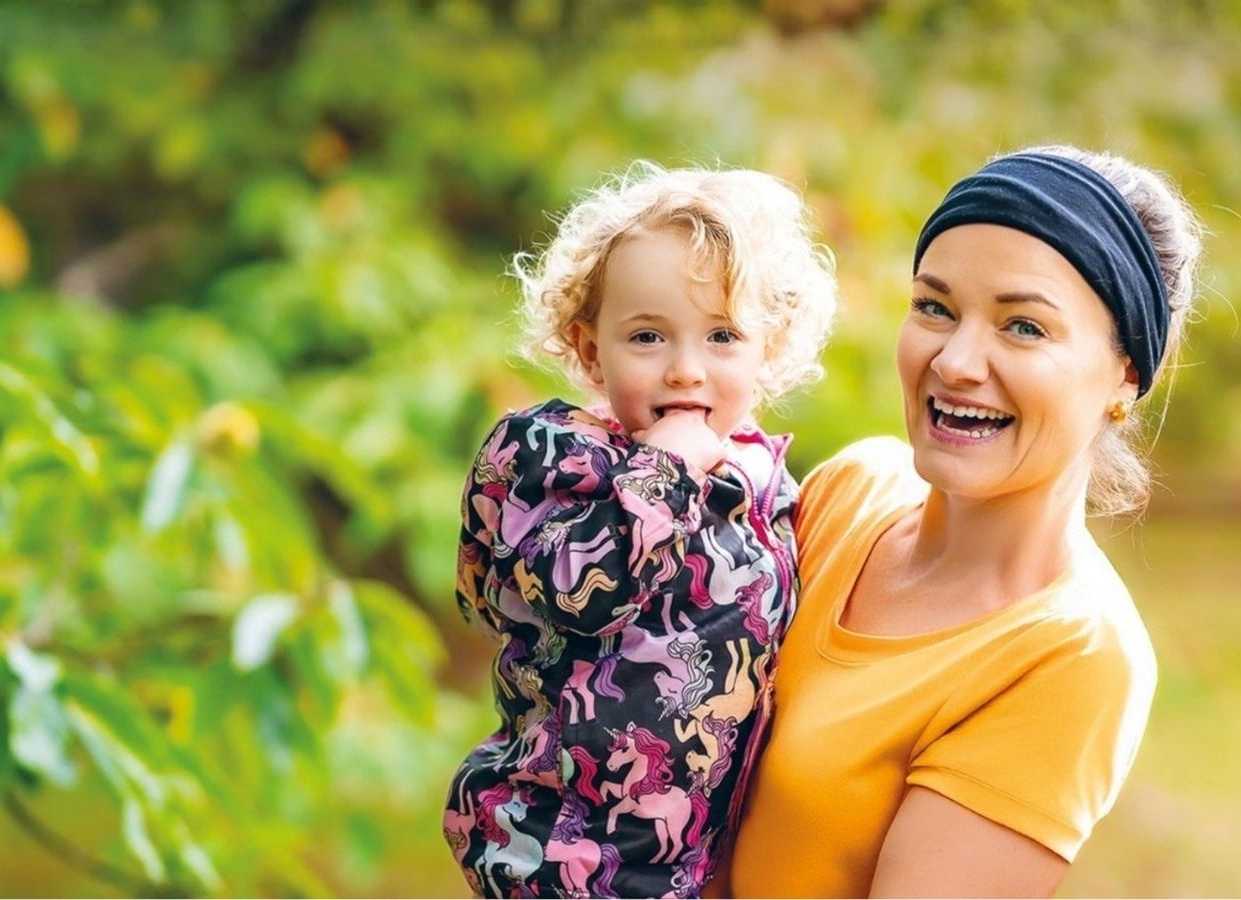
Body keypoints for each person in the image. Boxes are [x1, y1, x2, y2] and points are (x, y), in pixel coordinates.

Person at [722, 146, 1204, 897]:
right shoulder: (851, 488)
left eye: (1024, 328)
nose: (956, 361)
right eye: (934, 308)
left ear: (1126, 374)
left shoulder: (1072, 656)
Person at [443, 163, 838, 897]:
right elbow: (577, 595)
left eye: (722, 336)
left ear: (768, 349)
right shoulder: (555, 459)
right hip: (556, 850)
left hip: (685, 868)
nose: (686, 370)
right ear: (591, 350)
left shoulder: (761, 485)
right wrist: (661, 471)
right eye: (649, 337)